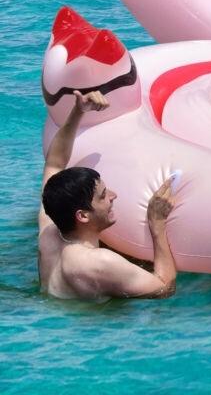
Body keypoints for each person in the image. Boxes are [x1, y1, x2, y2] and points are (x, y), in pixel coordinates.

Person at [39, 90, 179, 301]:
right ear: (82, 215)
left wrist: (78, 111)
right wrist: (157, 225)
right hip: (90, 321)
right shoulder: (98, 263)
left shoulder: (49, 233)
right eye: (103, 195)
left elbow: (54, 163)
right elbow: (164, 288)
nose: (113, 196)